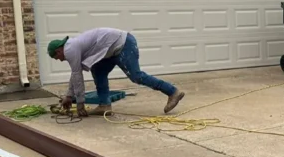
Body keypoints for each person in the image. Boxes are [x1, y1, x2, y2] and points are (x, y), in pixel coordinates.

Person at [48, 28, 184, 117]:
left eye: (57, 57)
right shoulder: (70, 47)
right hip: (109, 51)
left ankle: (172, 92)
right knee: (98, 71)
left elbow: (77, 76)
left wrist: (80, 103)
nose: (59, 60)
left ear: (59, 50)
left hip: (123, 44)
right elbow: (75, 73)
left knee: (136, 76)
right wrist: (69, 96)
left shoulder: (70, 49)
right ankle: (104, 105)